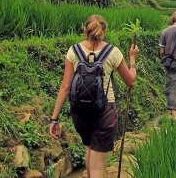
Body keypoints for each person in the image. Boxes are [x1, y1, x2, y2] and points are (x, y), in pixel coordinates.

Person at [49, 14, 138, 178]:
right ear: (104, 31)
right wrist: (133, 59)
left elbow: (65, 86)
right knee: (98, 168)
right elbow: (131, 81)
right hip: (105, 112)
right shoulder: (113, 52)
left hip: (80, 113)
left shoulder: (73, 51)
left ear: (85, 30)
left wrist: (54, 119)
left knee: (90, 148)